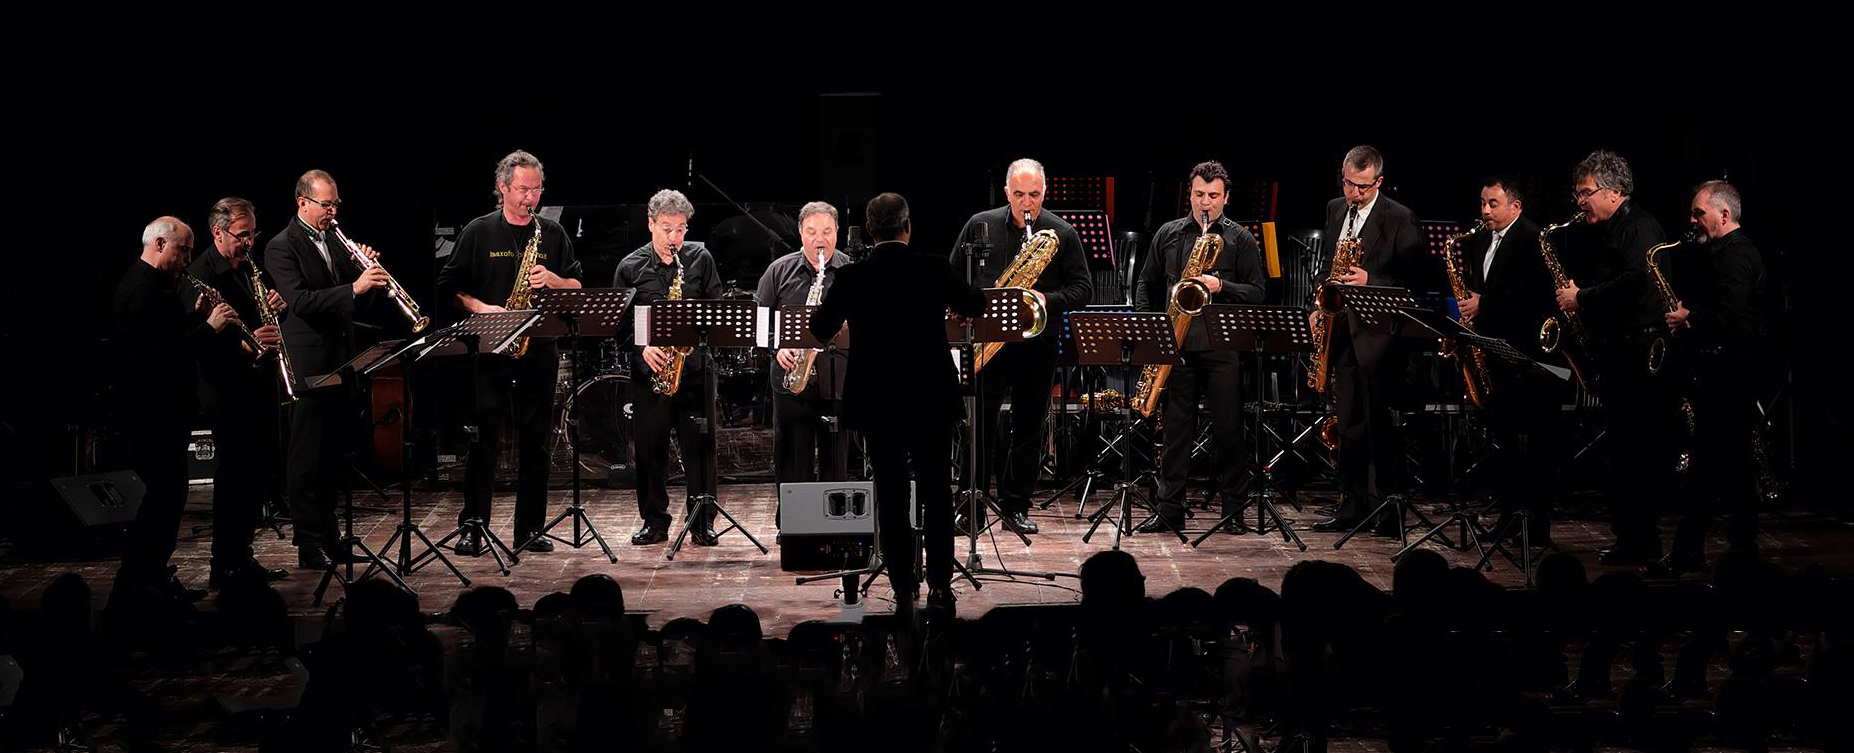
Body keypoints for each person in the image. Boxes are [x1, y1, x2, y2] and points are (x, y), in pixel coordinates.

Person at [811, 192, 985, 613]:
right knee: (937, 493)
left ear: (869, 231)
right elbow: (976, 305)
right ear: (909, 227)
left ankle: (903, 585)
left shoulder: (853, 277)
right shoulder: (933, 268)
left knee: (890, 493)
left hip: (878, 399)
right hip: (930, 396)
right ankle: (941, 586)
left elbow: (819, 328)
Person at [435, 150, 582, 555]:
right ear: (502, 188)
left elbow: (577, 289)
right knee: (484, 442)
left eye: (536, 189)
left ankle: (530, 529)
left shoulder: (552, 234)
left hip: (539, 350)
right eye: (522, 189)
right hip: (490, 350)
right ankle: (473, 527)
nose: (530, 197)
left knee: (536, 443)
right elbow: (448, 288)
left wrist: (554, 279)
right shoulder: (478, 231)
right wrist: (481, 307)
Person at [949, 158, 1093, 534]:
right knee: (978, 426)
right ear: (1006, 192)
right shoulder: (979, 224)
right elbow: (952, 278)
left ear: (1045, 193)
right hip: (987, 344)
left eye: (1034, 195)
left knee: (1029, 428)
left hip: (1037, 346)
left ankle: (1016, 506)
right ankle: (970, 506)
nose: (1026, 203)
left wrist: (1047, 299)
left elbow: (1083, 288)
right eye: (1019, 194)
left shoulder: (1061, 233)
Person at [264, 169, 391, 569]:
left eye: (336, 204)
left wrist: (366, 277)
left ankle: (330, 535)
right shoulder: (281, 246)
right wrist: (353, 287)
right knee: (307, 455)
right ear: (302, 202)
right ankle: (307, 542)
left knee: (336, 452)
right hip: (308, 362)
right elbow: (300, 301)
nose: (333, 212)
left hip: (342, 358)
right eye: (326, 204)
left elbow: (352, 305)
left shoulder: (336, 242)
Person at [1131, 160, 1266, 532]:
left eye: (1213, 196)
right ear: (1188, 194)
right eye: (1199, 195)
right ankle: (1169, 509)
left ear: (1225, 198)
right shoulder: (1169, 233)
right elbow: (1146, 282)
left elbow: (1258, 293)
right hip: (1177, 344)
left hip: (1223, 348)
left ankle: (1233, 511)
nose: (1205, 203)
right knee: (1175, 433)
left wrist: (1222, 286)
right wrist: (1149, 326)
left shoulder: (1240, 239)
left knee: (1228, 432)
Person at [1309, 146, 1428, 533]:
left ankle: (1387, 511)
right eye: (1348, 184)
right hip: (1341, 331)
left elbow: (1415, 286)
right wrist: (1318, 300)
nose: (1353, 194)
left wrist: (1370, 282)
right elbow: (1327, 265)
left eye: (1362, 187)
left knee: (1381, 425)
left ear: (1378, 181)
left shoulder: (1400, 217)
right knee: (1349, 424)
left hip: (1380, 339)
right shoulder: (1334, 209)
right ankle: (1351, 506)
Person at [187, 197, 291, 586]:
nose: (250, 242)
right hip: (224, 388)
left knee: (255, 473)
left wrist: (272, 306)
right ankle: (224, 564)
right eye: (242, 235)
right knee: (233, 476)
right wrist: (246, 345)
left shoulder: (247, 267)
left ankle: (242, 557)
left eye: (253, 234)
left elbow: (254, 319)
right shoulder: (201, 274)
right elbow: (199, 340)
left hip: (256, 384)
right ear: (218, 232)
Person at [614, 189, 724, 545]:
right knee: (649, 451)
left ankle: (702, 521)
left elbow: (717, 311)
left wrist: (696, 337)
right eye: (666, 229)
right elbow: (618, 326)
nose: (674, 238)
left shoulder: (700, 259)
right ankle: (654, 522)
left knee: (701, 449)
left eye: (680, 230)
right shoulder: (630, 267)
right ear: (650, 224)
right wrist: (642, 348)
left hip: (693, 371)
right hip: (651, 374)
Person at [754, 201, 852, 483]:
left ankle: (835, 523)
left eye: (827, 231)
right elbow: (758, 322)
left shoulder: (850, 271)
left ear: (837, 232)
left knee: (837, 462)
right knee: (792, 461)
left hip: (838, 380)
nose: (820, 239)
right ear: (800, 233)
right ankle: (792, 524)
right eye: (812, 232)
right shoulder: (778, 270)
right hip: (791, 380)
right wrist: (777, 346)